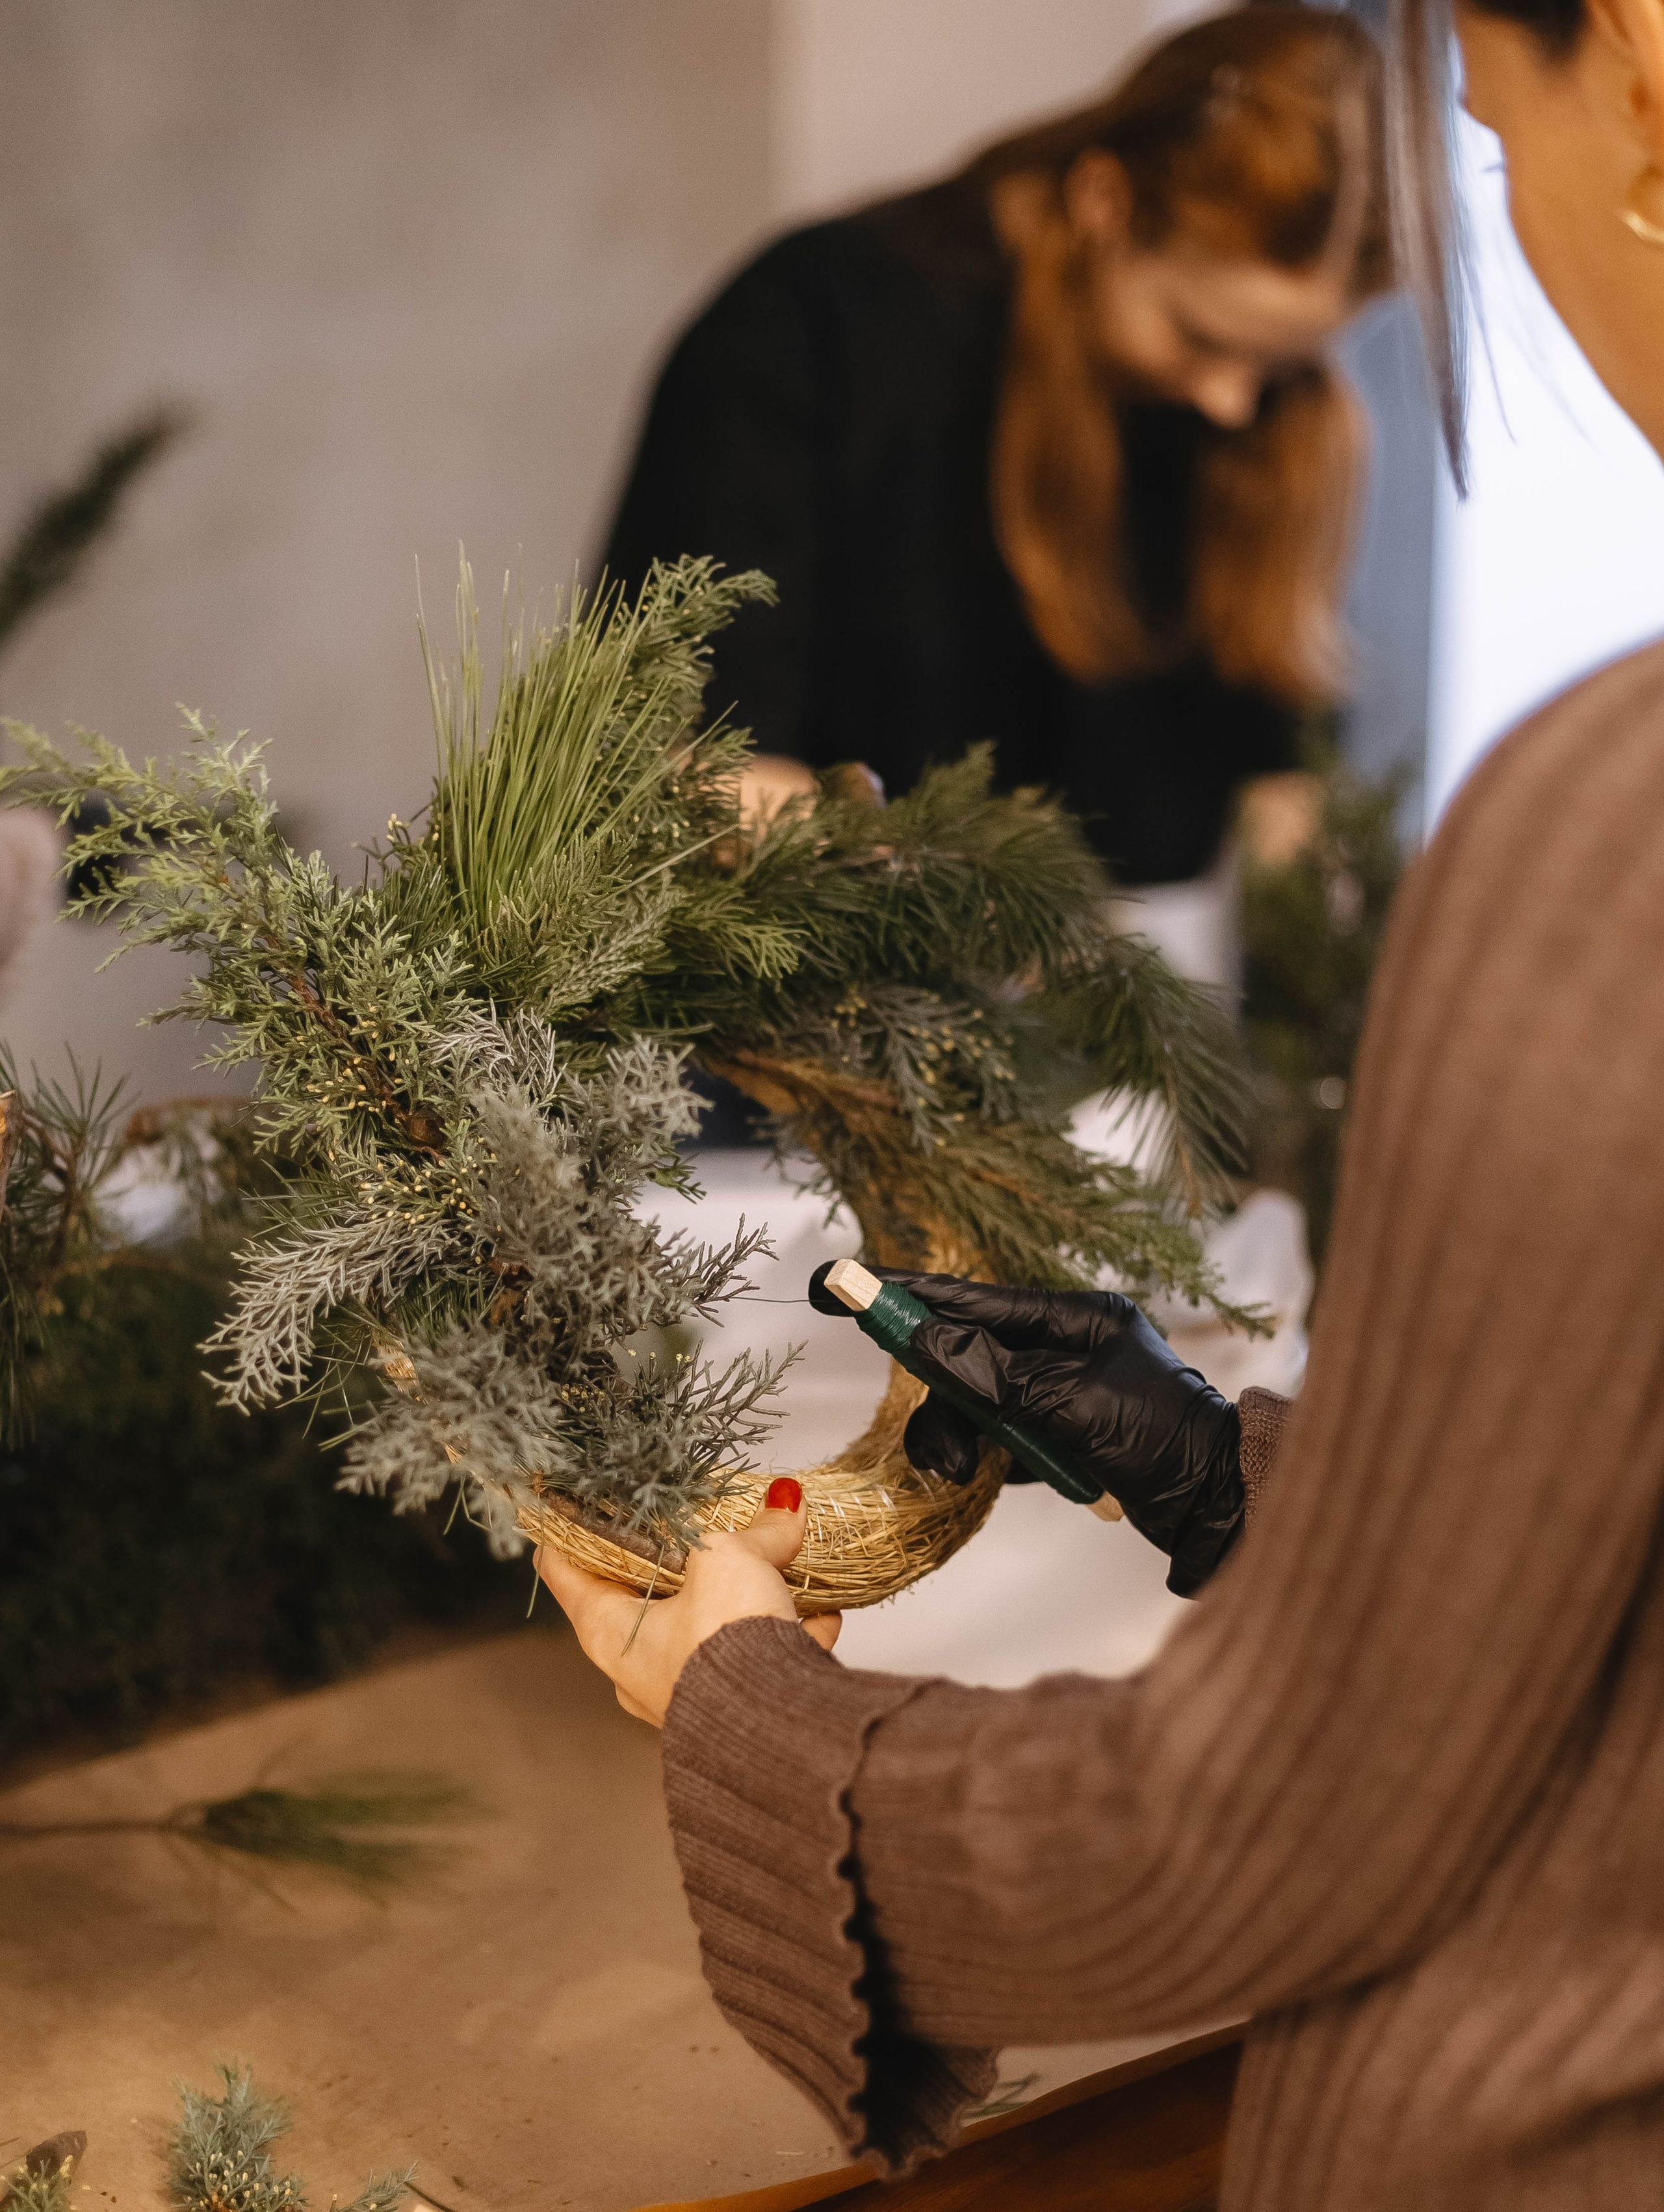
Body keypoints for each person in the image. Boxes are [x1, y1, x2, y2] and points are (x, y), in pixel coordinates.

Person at [538, 0, 1664, 2198]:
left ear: (1632, 73)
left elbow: (1275, 1821)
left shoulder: (1607, 849)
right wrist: (1238, 1467)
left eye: (1493, 138)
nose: (1252, 402)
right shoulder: (828, 343)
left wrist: (748, 1716)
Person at [603, 7, 1389, 891]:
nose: (1232, 401)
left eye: (1281, 362)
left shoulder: (1258, 423)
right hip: (801, 982)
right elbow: (705, 762)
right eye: (1198, 336)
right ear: (1105, 202)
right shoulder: (804, 334)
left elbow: (1282, 799)